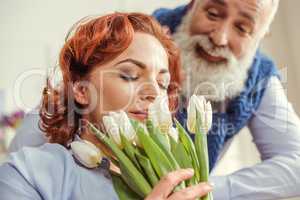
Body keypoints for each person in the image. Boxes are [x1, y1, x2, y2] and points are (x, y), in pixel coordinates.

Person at [0, 13, 213, 199]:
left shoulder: (183, 179)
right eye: (130, 76)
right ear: (82, 90)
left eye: (163, 84)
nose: (154, 94)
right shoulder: (28, 174)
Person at [152, 0, 300, 199]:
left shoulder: (258, 76)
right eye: (212, 14)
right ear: (192, 5)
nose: (219, 38)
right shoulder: (138, 38)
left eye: (242, 28)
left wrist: (204, 190)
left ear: (261, 36)